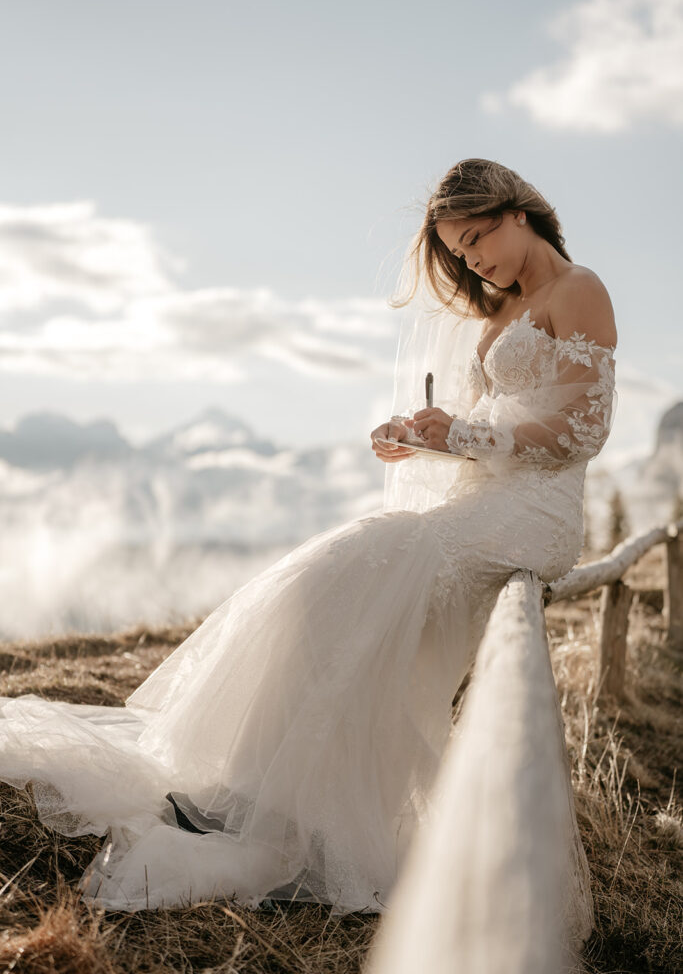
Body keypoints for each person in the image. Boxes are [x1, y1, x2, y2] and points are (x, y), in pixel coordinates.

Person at [0, 160, 617, 950]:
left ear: (516, 213)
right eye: (459, 255)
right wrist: (423, 437)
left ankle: (261, 805)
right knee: (332, 593)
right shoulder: (504, 309)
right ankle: (267, 799)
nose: (471, 263)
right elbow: (495, 429)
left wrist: (461, 434)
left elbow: (580, 434)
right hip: (486, 497)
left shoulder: (579, 290)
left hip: (534, 513)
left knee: (345, 568)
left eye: (474, 241)